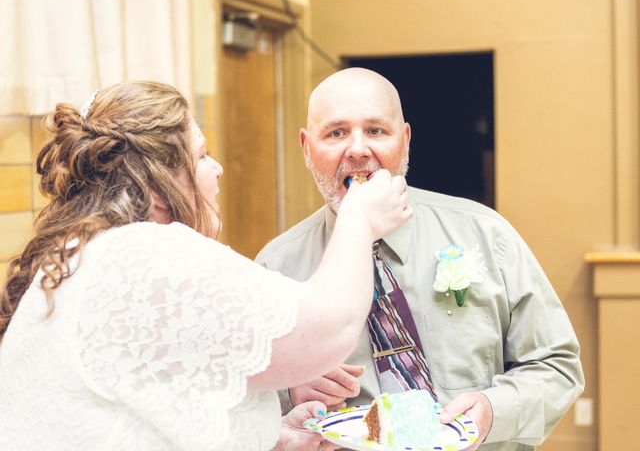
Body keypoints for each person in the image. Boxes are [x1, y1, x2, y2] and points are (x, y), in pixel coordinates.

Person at [0, 81, 413, 450]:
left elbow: (156, 402)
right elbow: (329, 328)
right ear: (156, 183)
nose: (217, 171)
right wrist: (359, 218)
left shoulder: (94, 253)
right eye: (201, 155)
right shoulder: (146, 257)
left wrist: (273, 435)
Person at [256, 68, 585, 451]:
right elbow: (237, 399)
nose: (358, 149)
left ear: (405, 140)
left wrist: (493, 409)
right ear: (306, 146)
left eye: (376, 131)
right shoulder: (274, 268)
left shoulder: (485, 234)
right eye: (336, 133)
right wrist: (288, 392)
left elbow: (558, 367)